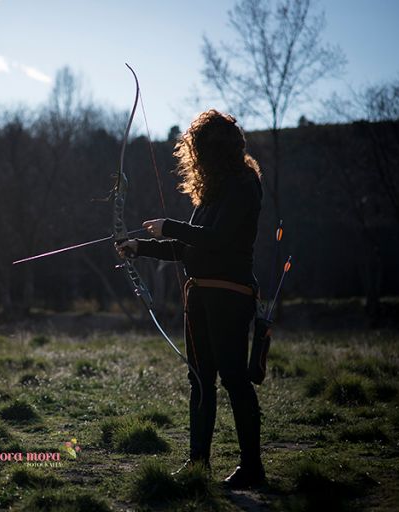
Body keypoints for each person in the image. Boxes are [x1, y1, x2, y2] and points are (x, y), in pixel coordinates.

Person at [116, 109, 265, 488]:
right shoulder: (213, 189)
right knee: (200, 379)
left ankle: (252, 469)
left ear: (213, 150)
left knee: (233, 378)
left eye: (199, 149)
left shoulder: (244, 183)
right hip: (199, 297)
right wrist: (140, 247)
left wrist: (169, 226)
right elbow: (190, 247)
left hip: (230, 297)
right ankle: (199, 465)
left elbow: (217, 239)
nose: (195, 156)